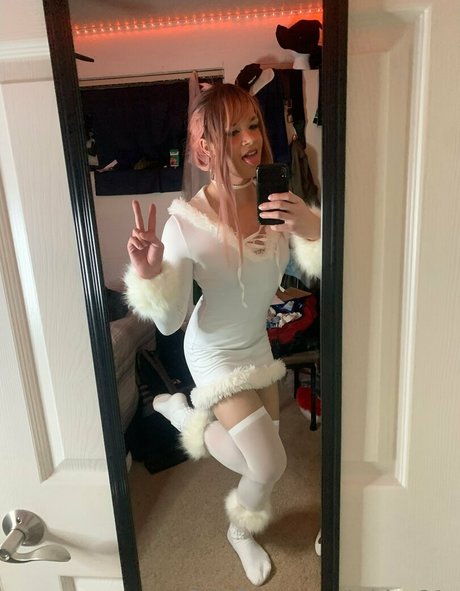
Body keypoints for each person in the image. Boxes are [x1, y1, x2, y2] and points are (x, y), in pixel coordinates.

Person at [124, 83, 321, 586]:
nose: (251, 140)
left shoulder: (277, 199)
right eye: (232, 132)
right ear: (204, 148)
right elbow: (169, 320)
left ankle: (185, 415)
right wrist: (149, 274)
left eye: (253, 125)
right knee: (269, 463)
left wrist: (312, 227)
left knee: (257, 456)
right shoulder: (185, 223)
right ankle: (239, 531)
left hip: (255, 341)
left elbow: (316, 265)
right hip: (211, 350)